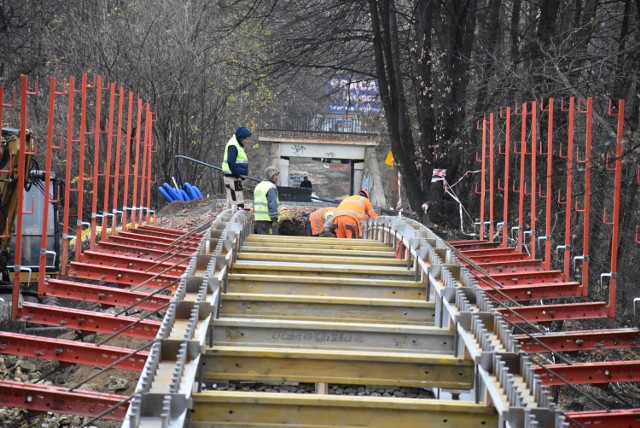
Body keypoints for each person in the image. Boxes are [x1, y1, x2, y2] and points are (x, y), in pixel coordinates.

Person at [221, 127, 252, 209]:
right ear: (242, 137)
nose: (247, 141)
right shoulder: (233, 146)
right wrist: (237, 174)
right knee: (237, 200)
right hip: (233, 176)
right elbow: (231, 162)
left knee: (231, 199)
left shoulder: (237, 144)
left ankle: (229, 215)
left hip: (233, 175)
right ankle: (237, 216)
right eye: (246, 139)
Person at [254, 166, 280, 235]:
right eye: (276, 175)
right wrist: (274, 219)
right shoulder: (271, 187)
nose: (277, 177)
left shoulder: (258, 186)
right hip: (269, 221)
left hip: (259, 219)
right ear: (270, 175)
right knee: (271, 243)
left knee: (262, 242)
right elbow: (272, 204)